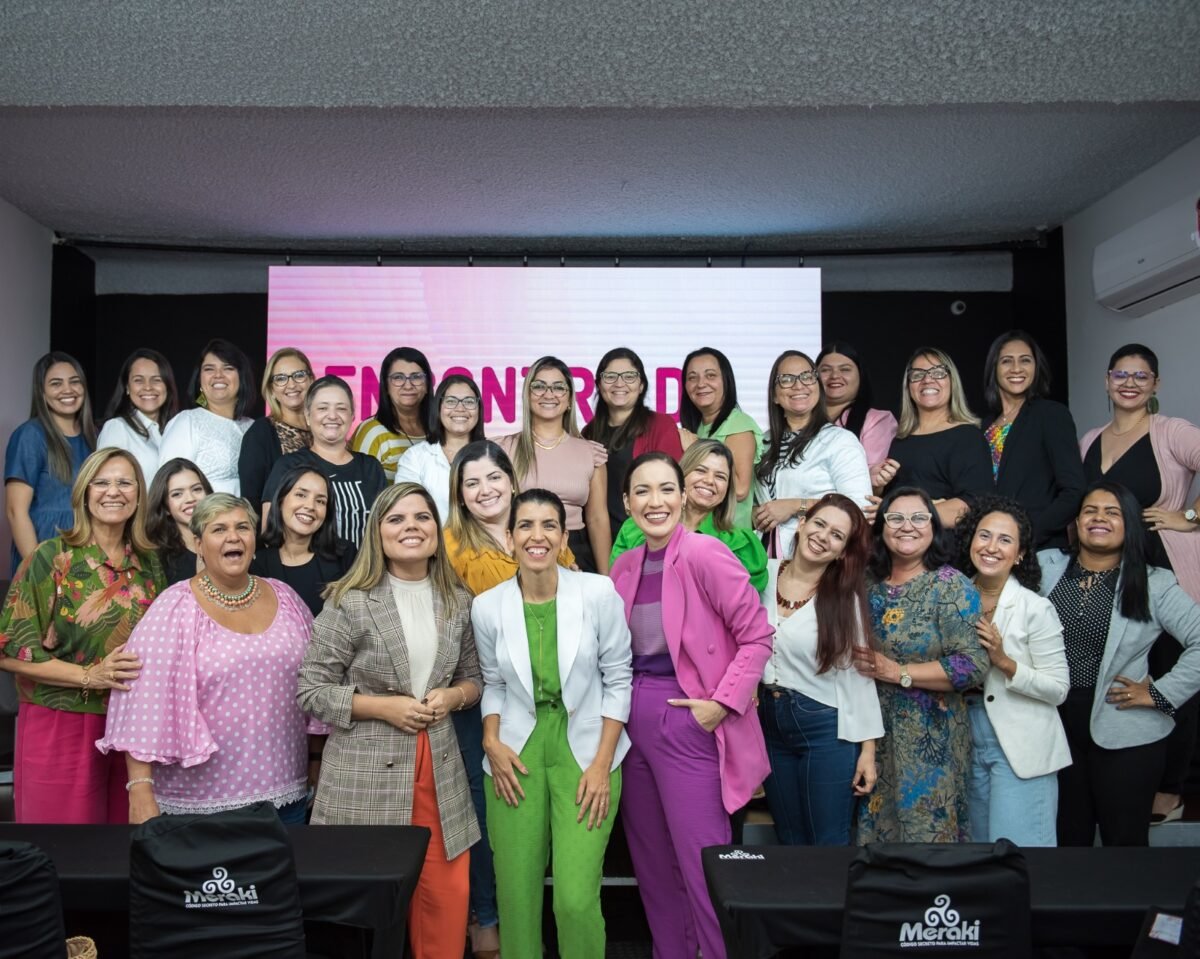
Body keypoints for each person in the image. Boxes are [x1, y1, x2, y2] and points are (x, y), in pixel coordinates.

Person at [298, 483, 482, 959]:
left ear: (437, 532)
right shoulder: (349, 600)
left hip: (440, 772)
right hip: (364, 777)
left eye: (421, 518)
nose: (411, 528)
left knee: (447, 899)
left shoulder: (457, 600)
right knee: (361, 913)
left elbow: (473, 678)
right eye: (396, 519)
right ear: (376, 533)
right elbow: (311, 691)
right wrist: (382, 706)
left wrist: (454, 696)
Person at [610, 452, 773, 959]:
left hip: (688, 715)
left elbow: (758, 637)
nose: (654, 501)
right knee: (653, 865)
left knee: (702, 863)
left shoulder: (705, 553)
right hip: (632, 719)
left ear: (683, 497)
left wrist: (720, 705)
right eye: (642, 491)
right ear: (626, 503)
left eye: (665, 489)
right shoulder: (624, 565)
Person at [98, 492, 324, 826]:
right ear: (199, 543)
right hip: (199, 801)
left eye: (242, 527)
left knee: (277, 879)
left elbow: (315, 684)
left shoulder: (287, 599)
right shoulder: (173, 608)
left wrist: (317, 761)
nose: (233, 536)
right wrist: (140, 790)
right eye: (219, 529)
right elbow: (143, 705)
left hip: (284, 794)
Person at [472, 489, 632, 959]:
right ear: (509, 537)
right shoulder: (487, 606)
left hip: (586, 749)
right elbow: (493, 683)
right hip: (514, 751)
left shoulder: (598, 592)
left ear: (564, 536)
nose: (536, 536)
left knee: (575, 898)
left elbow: (619, 678)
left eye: (548, 526)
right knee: (516, 896)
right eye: (525, 525)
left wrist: (602, 765)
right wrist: (490, 740)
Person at [444, 439, 575, 958]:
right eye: (471, 483)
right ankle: (490, 918)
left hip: (552, 700)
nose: (484, 490)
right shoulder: (452, 543)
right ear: (459, 493)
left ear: (512, 481)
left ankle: (536, 923)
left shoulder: (544, 532)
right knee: (486, 807)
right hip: (485, 695)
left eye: (492, 478)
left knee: (536, 815)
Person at [0, 448, 163, 823]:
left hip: (130, 727)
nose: (113, 491)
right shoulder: (51, 557)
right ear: (84, 493)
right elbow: (9, 651)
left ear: (138, 494)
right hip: (60, 722)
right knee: (63, 848)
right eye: (101, 482)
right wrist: (91, 676)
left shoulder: (149, 563)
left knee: (124, 849)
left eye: (125, 482)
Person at [1041, 481, 1200, 847]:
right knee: (1067, 844)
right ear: (1076, 523)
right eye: (1090, 511)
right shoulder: (1044, 568)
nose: (1099, 518)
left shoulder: (1153, 583)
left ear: (1129, 524)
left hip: (1127, 732)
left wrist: (1161, 694)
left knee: (1125, 847)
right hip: (1055, 729)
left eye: (1112, 512)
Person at [1079, 343, 1200, 824]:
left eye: (1141, 375)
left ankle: (1171, 790)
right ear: (1107, 380)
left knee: (1174, 667)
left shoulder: (1170, 431)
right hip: (1109, 570)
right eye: (1120, 374)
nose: (1129, 383)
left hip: (1163, 563)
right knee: (1122, 668)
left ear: (1156, 384)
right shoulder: (1090, 438)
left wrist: (1187, 515)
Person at [853, 485, 989, 843]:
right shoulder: (866, 584)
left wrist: (898, 673)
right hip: (870, 735)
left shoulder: (950, 586)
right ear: (881, 526)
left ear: (934, 527)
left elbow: (973, 665)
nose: (906, 526)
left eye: (919, 517)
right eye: (895, 518)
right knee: (874, 843)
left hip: (933, 741)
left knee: (928, 843)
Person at [760, 493, 882, 845]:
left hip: (825, 727)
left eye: (837, 535)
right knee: (790, 840)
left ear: (842, 551)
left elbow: (858, 678)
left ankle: (838, 902)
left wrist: (868, 753)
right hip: (768, 725)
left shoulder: (845, 599)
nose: (823, 536)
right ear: (801, 524)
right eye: (819, 524)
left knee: (828, 842)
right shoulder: (761, 574)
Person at [955, 495, 1070, 847]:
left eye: (1005, 540)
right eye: (984, 535)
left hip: (1020, 745)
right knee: (976, 857)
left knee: (1019, 856)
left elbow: (1058, 688)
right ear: (971, 541)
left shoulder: (1036, 608)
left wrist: (1005, 662)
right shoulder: (951, 597)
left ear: (1020, 554)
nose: (992, 547)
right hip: (963, 740)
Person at [753, 350, 871, 559]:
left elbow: (859, 510)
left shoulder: (840, 441)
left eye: (807, 377)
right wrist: (754, 514)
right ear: (774, 395)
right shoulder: (763, 442)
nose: (799, 385)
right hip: (764, 562)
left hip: (819, 561)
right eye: (787, 379)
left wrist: (795, 505)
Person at [611, 439, 768, 593]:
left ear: (727, 489)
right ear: (681, 475)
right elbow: (617, 587)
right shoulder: (634, 528)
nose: (709, 481)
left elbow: (744, 604)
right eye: (700, 470)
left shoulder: (741, 543)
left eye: (720, 476)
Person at [500, 356, 611, 573]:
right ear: (527, 396)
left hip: (576, 551)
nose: (549, 394)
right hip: (523, 549)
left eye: (558, 387)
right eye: (539, 386)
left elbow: (597, 519)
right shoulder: (503, 449)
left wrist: (606, 577)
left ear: (570, 399)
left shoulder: (591, 453)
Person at [980, 330, 1085, 550]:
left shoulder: (1051, 414)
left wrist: (1027, 535)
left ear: (1036, 367)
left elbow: (1074, 491)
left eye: (1025, 360)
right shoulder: (984, 426)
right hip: (990, 549)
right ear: (994, 369)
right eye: (1007, 361)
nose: (1016, 368)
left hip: (1038, 549)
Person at [263, 375, 387, 550]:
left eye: (341, 409)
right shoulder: (289, 465)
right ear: (307, 416)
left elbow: (385, 529)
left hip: (365, 575)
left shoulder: (371, 467)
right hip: (309, 575)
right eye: (322, 408)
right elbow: (270, 532)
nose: (332, 416)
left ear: (352, 416)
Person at [878, 346, 992, 528]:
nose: (927, 380)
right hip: (898, 548)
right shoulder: (900, 441)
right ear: (908, 386)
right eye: (917, 374)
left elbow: (976, 504)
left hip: (943, 550)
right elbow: (887, 505)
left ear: (952, 381)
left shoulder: (968, 438)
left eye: (938, 373)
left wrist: (913, 514)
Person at [5, 351, 96, 574]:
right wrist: (40, 570)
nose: (68, 390)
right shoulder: (30, 435)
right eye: (56, 383)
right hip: (44, 550)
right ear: (42, 392)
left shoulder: (94, 436)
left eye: (75, 382)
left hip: (87, 552)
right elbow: (16, 511)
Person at [581, 347, 684, 541]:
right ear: (599, 385)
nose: (619, 383)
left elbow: (672, 489)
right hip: (596, 541)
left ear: (642, 385)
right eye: (610, 376)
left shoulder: (661, 426)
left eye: (629, 376)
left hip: (642, 538)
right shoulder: (588, 432)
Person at [678, 346, 763, 530]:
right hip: (697, 534)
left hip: (727, 538)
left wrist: (696, 449)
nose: (701, 384)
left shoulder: (738, 424)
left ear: (726, 380)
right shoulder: (699, 427)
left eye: (710, 375)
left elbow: (740, 490)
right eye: (692, 377)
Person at [252, 464, 353, 617]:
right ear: (280, 501)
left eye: (320, 501)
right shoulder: (257, 565)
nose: (310, 506)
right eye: (301, 495)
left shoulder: (346, 555)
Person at [157, 338, 255, 495]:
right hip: (202, 517)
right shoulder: (187, 422)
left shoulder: (254, 427)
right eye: (209, 369)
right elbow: (168, 485)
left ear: (241, 377)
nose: (218, 375)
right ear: (199, 379)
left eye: (228, 368)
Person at [395, 374, 486, 521]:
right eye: (451, 401)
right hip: (432, 542)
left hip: (485, 542)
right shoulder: (415, 457)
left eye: (469, 402)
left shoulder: (492, 454)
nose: (460, 408)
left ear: (479, 409)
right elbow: (406, 508)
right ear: (438, 408)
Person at [237, 347, 314, 508]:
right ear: (271, 390)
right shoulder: (261, 433)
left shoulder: (323, 429)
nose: (291, 384)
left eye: (299, 375)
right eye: (280, 378)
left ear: (311, 380)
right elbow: (251, 500)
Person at [350, 346, 435, 481]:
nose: (408, 385)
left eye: (416, 377)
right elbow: (359, 489)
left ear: (427, 385)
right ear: (386, 386)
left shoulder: (441, 430)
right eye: (398, 378)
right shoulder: (373, 432)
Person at [96, 347, 179, 485]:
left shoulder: (175, 430)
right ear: (127, 387)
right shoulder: (117, 428)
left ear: (167, 386)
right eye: (138, 380)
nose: (148, 387)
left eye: (156, 380)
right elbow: (108, 485)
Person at [815, 342, 898, 472]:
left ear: (860, 375)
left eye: (845, 369)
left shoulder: (877, 420)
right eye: (825, 370)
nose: (835, 376)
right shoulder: (802, 419)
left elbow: (871, 475)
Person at [145, 458, 213, 584]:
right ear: (165, 508)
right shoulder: (157, 558)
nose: (190, 499)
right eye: (177, 494)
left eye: (197, 489)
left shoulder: (229, 542)